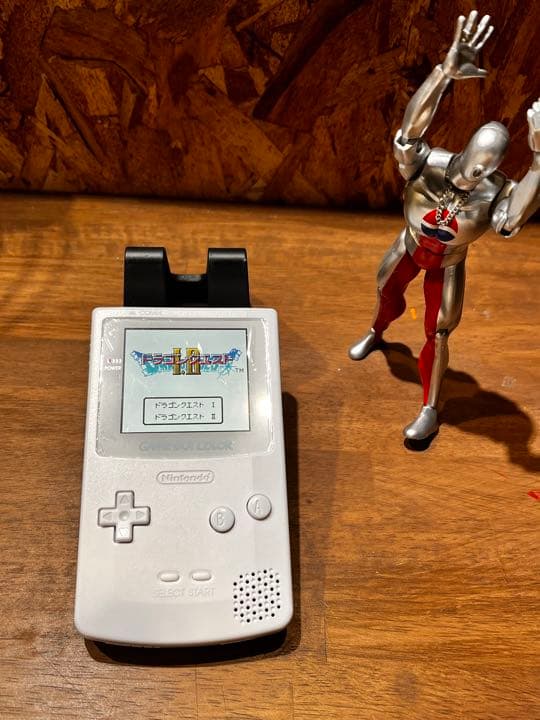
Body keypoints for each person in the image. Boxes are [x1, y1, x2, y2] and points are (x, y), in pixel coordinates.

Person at [349, 10, 540, 441]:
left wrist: (539, 162)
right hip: (409, 243)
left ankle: (430, 407)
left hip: (448, 263)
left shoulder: (496, 193)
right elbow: (405, 138)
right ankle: (377, 332)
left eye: (486, 169)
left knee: (438, 331)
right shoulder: (430, 164)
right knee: (385, 289)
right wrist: (443, 74)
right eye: (474, 164)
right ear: (465, 150)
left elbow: (511, 221)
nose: (476, 175)